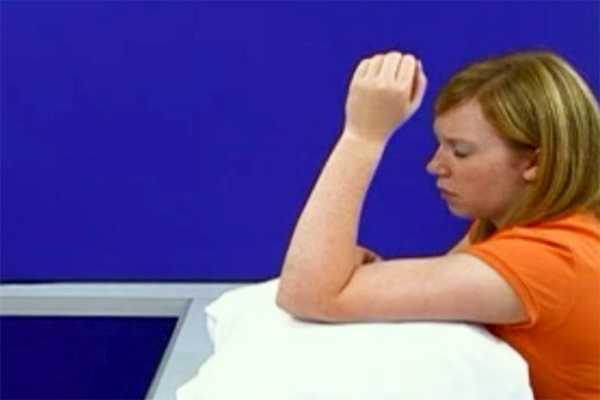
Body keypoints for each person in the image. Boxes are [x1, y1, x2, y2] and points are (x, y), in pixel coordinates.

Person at [276, 49, 600, 399]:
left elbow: (309, 294)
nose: (435, 166)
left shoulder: (549, 261)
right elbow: (427, 295)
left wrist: (362, 136)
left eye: (460, 151)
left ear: (534, 163)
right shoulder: (511, 226)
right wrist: (356, 276)